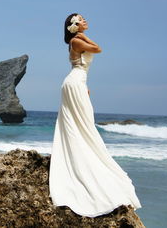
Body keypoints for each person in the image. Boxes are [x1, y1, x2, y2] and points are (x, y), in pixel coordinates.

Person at [48, 13, 142, 217]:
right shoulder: (76, 40)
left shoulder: (76, 39)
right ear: (73, 26)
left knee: (84, 125)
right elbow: (98, 49)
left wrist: (84, 86)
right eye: (80, 19)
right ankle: (81, 165)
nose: (85, 20)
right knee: (83, 127)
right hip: (74, 83)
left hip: (78, 83)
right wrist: (81, 34)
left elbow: (80, 67)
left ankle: (84, 160)